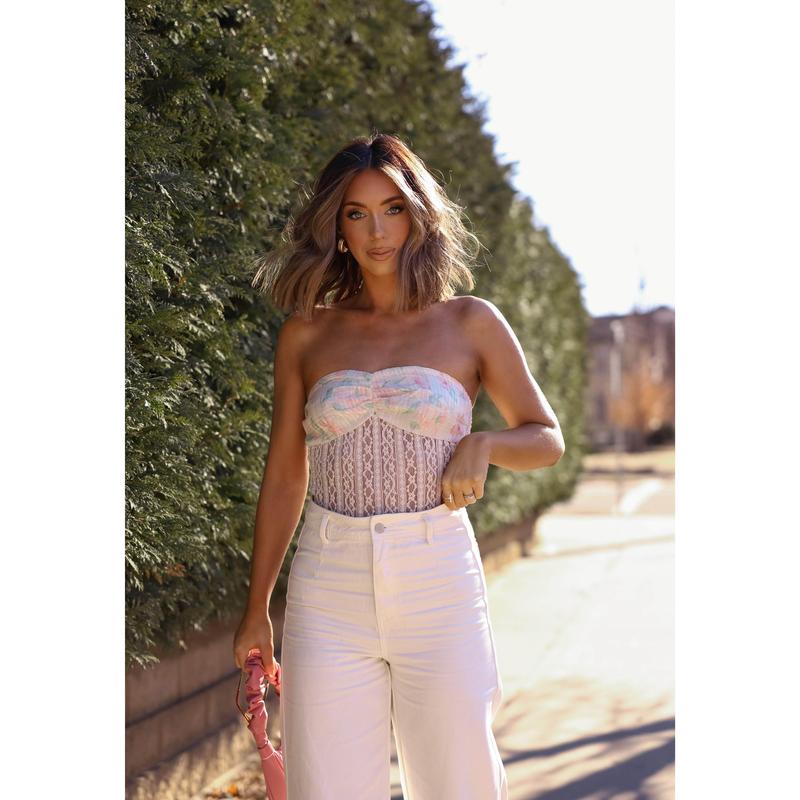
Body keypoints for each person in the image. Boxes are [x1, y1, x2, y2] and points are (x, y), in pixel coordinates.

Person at [233, 132, 565, 799]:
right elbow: (285, 475)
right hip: (328, 585)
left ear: (418, 215)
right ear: (337, 227)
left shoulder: (469, 322)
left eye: (392, 209)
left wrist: (483, 445)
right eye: (356, 213)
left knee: (459, 785)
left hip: (438, 579)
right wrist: (257, 606)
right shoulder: (307, 333)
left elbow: (546, 437)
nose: (377, 231)